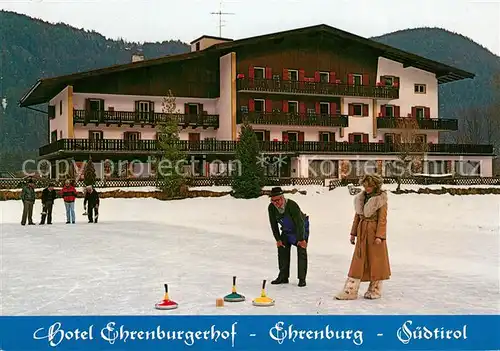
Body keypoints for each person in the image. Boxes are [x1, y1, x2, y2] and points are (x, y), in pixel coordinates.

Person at [335, 173, 391, 300]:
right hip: (362, 232)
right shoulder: (361, 198)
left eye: (370, 186)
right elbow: (357, 217)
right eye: (365, 185)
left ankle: (375, 289)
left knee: (376, 262)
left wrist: (380, 236)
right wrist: (353, 233)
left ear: (375, 186)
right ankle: (350, 290)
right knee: (358, 262)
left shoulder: (381, 199)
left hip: (374, 233)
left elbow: (382, 219)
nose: (367, 188)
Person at [268, 186, 309, 287]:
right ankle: (283, 277)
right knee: (282, 249)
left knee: (301, 250)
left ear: (282, 198)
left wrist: (301, 239)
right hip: (286, 230)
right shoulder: (271, 207)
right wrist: (278, 239)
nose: (275, 203)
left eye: (277, 200)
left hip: (300, 228)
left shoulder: (292, 205)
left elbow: (299, 223)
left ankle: (302, 279)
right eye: (273, 201)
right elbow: (273, 224)